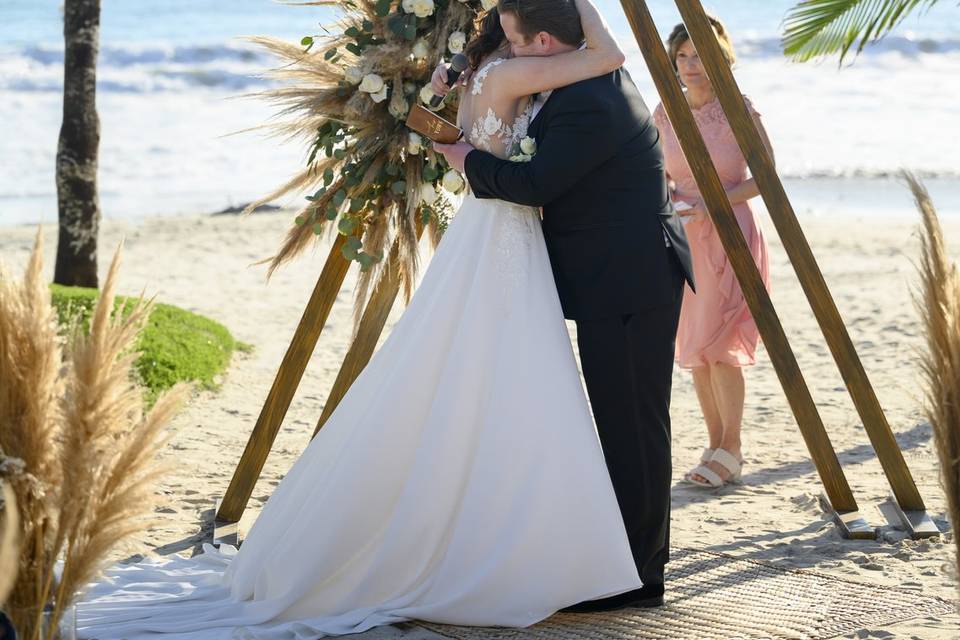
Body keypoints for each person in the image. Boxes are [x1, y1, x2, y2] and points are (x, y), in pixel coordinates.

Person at [76, 1, 653, 638]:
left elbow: (440, 130)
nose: (518, 46)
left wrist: (460, 147)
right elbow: (608, 59)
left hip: (491, 229)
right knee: (510, 370)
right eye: (514, 38)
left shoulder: (480, 70)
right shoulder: (512, 74)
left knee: (473, 360)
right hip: (505, 223)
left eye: (518, 37)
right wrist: (587, 10)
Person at [433, 0, 693, 612]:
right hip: (611, 273)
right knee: (616, 421)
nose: (514, 55)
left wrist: (465, 159)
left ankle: (640, 578)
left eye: (521, 44)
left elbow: (534, 184)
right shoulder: (574, 73)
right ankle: (617, 559)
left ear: (548, 42)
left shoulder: (591, 99)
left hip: (631, 279)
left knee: (633, 425)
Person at [652, 17, 772, 489]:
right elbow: (656, 172)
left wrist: (714, 203)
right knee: (698, 349)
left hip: (731, 235)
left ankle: (733, 447)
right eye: (681, 57)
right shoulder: (667, 112)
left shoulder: (739, 109)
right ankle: (715, 443)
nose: (689, 65)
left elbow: (764, 176)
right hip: (684, 238)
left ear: (719, 56)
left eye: (699, 55)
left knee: (723, 347)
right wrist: (670, 201)